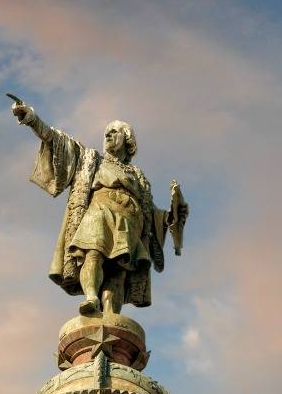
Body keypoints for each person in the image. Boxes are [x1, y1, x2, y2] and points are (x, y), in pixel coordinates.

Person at [11, 99, 188, 315]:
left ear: (128, 140)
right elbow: (58, 141)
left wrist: (172, 216)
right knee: (93, 252)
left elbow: (150, 214)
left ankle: (112, 314)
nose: (107, 135)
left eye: (114, 132)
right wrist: (32, 119)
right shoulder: (92, 160)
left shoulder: (138, 177)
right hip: (99, 213)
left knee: (118, 272)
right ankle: (92, 298)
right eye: (106, 133)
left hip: (129, 223)